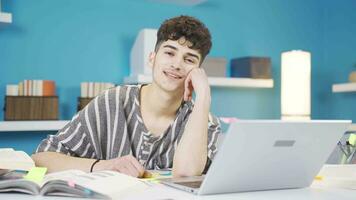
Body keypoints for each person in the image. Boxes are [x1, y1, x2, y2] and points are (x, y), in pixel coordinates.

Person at [32, 15, 221, 178]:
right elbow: (41, 158)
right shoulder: (112, 102)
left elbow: (186, 174)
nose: (177, 64)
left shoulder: (205, 121)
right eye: (170, 52)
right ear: (152, 58)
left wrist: (204, 96)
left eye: (189, 59)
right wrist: (103, 166)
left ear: (199, 71)